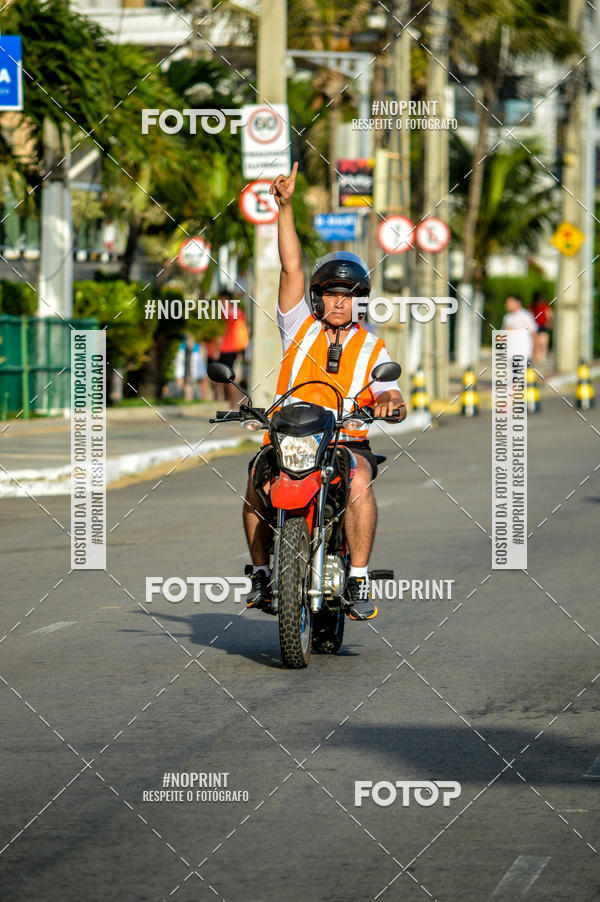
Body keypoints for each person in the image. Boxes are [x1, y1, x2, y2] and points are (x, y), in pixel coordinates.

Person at [243, 162, 406, 621]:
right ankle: (260, 573)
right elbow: (291, 263)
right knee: (257, 479)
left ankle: (357, 577)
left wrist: (392, 405)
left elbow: (389, 389)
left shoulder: (373, 344)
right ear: (317, 298)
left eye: (349, 294)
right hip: (291, 439)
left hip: (347, 442)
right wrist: (286, 206)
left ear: (360, 301)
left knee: (357, 484)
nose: (340, 301)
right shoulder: (297, 326)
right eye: (331, 293)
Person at [217, 289, 250, 410]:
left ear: (226, 299)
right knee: (229, 378)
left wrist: (216, 349)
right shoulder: (238, 311)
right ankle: (233, 403)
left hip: (226, 349)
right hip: (236, 348)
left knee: (227, 378)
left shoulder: (224, 313)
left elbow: (221, 333)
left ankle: (231, 404)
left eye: (221, 299)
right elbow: (244, 330)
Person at [502, 294, 538, 363]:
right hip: (510, 352)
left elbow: (533, 333)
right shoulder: (507, 317)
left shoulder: (526, 316)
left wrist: (535, 351)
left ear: (518, 303)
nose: (506, 305)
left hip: (523, 352)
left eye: (509, 303)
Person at [530, 290, 553, 364]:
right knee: (536, 342)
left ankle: (542, 356)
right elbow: (530, 315)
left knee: (543, 342)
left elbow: (549, 313)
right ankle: (538, 356)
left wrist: (549, 322)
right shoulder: (532, 305)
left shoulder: (545, 305)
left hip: (543, 325)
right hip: (535, 326)